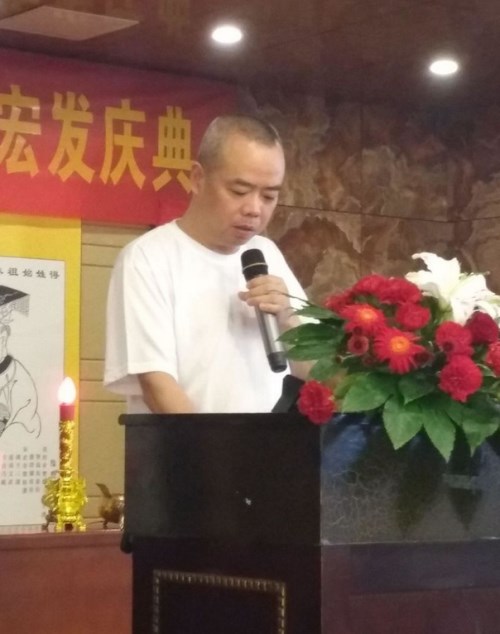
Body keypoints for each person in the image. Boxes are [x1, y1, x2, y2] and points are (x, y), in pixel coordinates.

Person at [104, 114, 310, 414]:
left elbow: (315, 376)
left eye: (269, 196)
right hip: (187, 443)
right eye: (239, 191)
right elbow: (157, 385)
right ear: (198, 178)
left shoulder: (266, 253)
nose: (254, 209)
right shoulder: (148, 258)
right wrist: (213, 444)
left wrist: (288, 319)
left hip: (273, 441)